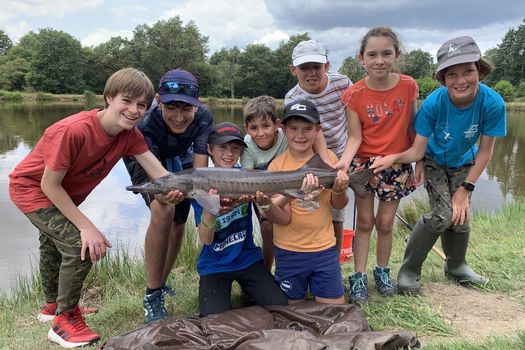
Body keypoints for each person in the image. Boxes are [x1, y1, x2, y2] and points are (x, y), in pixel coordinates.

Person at [8, 68, 176, 348]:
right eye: (127, 100)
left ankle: (52, 307)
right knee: (81, 245)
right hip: (33, 190)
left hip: (61, 194)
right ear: (109, 97)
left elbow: (160, 174)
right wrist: (87, 226)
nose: (134, 110)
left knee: (52, 245)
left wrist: (188, 187)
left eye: (142, 105)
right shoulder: (71, 131)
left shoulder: (130, 135)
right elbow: (49, 185)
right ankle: (64, 322)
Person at [371, 36, 507, 295]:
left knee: (460, 215)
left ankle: (457, 266)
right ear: (442, 78)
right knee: (441, 215)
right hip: (433, 159)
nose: (461, 80)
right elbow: (417, 149)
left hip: (466, 161)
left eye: (468, 71)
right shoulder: (433, 104)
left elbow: (486, 152)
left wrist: (465, 189)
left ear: (480, 70)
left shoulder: (493, 103)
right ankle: (409, 271)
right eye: (452, 74)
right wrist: (397, 158)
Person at [335, 27, 420, 304]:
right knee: (365, 223)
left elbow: (414, 129)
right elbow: (354, 137)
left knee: (385, 224)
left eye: (386, 53)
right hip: (364, 167)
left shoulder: (408, 86)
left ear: (396, 55)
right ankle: (358, 277)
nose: (379, 60)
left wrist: (419, 162)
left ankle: (382, 271)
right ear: (362, 58)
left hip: (397, 164)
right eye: (372, 54)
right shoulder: (354, 94)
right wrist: (343, 164)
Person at [124, 69, 213, 323]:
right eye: (172, 107)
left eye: (187, 109)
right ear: (159, 101)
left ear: (198, 105)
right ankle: (152, 295)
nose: (179, 116)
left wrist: (200, 192)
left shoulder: (204, 117)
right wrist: (166, 191)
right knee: (164, 209)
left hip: (180, 159)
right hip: (144, 156)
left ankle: (162, 281)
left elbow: (199, 172)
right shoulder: (146, 123)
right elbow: (156, 174)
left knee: (179, 222)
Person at [256, 100, 350, 305]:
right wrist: (288, 195)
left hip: (324, 249)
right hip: (289, 251)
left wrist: (340, 189)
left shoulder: (330, 159)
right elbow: (282, 219)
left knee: (334, 312)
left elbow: (339, 204)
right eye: (294, 129)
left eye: (308, 129)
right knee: (292, 312)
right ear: (283, 128)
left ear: (318, 129)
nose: (300, 135)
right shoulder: (277, 166)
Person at [195, 122, 288, 316]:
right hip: (214, 265)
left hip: (248, 259)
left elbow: (264, 216)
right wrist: (211, 209)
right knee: (213, 318)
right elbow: (206, 239)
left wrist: (265, 200)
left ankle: (250, 288)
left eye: (235, 148)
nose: (229, 153)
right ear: (209, 149)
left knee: (279, 305)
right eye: (222, 147)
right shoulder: (200, 184)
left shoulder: (248, 176)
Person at [285, 39, 353, 255]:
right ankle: (310, 256)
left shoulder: (343, 84)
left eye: (317, 66)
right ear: (293, 70)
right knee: (313, 210)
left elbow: (356, 123)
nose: (311, 73)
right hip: (312, 160)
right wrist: (320, 163)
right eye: (304, 68)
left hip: (342, 155)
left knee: (336, 214)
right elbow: (301, 133)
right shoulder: (293, 97)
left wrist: (347, 160)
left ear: (327, 66)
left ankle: (334, 263)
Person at [240, 95, 288, 270]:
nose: (260, 134)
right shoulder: (246, 146)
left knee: (290, 225)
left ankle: (288, 270)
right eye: (253, 128)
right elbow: (248, 181)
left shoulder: (286, 137)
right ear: (246, 128)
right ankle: (267, 272)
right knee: (267, 227)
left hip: (286, 186)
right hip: (260, 191)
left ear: (277, 124)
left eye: (266, 126)